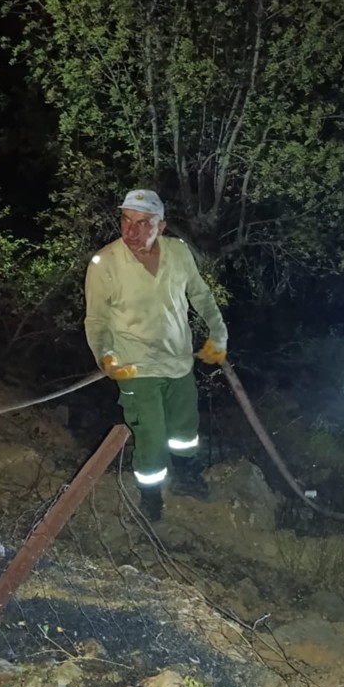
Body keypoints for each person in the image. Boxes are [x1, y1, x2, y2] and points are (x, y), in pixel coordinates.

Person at [84, 189, 229, 522]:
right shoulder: (104, 263)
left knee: (184, 431)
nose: (131, 231)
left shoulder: (178, 253)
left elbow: (200, 294)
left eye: (142, 223)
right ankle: (151, 498)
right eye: (126, 220)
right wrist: (105, 356)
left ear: (161, 227)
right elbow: (96, 319)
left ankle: (188, 477)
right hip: (135, 368)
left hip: (178, 361)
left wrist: (218, 334)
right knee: (151, 436)